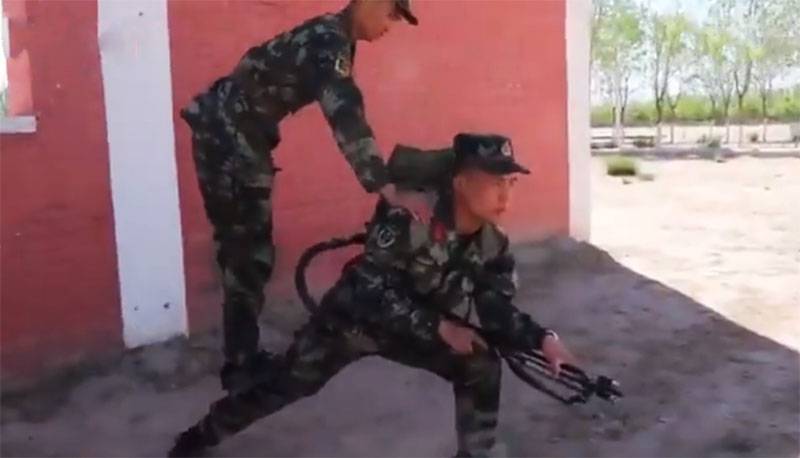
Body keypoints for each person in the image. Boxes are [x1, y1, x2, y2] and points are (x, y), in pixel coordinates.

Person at [168, 133, 575, 458]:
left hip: (415, 330)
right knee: (285, 384)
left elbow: (494, 307)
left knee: (481, 363)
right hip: (351, 324)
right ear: (461, 182)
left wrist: (542, 338)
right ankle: (203, 434)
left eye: (511, 183)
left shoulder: (493, 243)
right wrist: (440, 327)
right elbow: (366, 288)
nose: (505, 195)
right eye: (493, 182)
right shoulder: (412, 218)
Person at [180, 0, 418, 393]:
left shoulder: (333, 35)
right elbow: (345, 112)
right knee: (247, 254)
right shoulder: (329, 42)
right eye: (390, 14)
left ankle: (242, 357)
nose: (390, 26)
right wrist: (382, 183)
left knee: (245, 252)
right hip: (230, 136)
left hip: (232, 132)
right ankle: (241, 367)